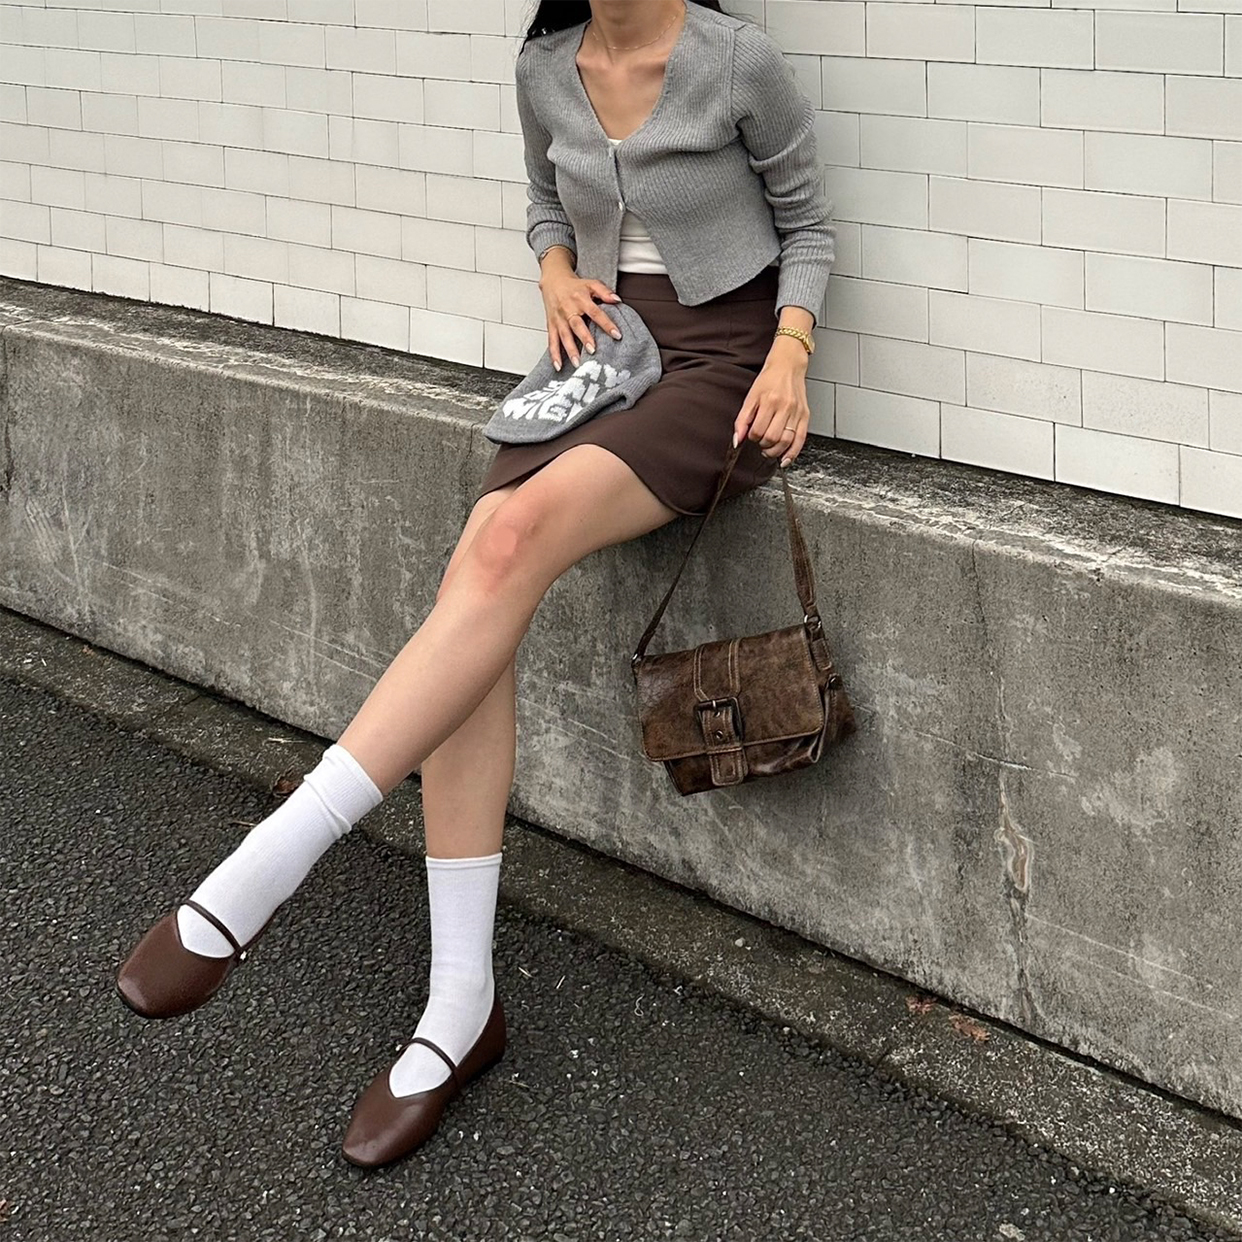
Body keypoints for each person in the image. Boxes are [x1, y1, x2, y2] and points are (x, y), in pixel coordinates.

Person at [115, 0, 836, 1170]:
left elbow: (807, 222)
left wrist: (792, 353)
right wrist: (554, 272)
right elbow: (548, 201)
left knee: (505, 544)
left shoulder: (734, 58)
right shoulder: (546, 66)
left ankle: (271, 862)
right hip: (600, 356)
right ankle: (462, 1004)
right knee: (478, 577)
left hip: (721, 366)